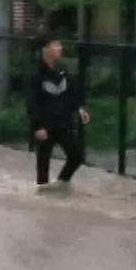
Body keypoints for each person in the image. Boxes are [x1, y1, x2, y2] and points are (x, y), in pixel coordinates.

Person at [27, 36, 90, 192]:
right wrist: (38, 125)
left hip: (64, 121)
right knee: (43, 163)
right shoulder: (34, 73)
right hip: (45, 123)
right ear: (44, 49)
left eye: (60, 45)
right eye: (55, 45)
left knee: (76, 155)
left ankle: (62, 183)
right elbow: (31, 101)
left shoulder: (62, 69)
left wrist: (80, 107)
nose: (60, 48)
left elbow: (72, 91)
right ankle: (42, 192)